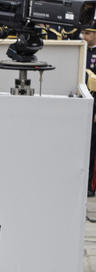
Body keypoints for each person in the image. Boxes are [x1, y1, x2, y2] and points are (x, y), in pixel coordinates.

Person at [84, 26, 96, 196]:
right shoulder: (81, 50)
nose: (83, 36)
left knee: (92, 147)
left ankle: (89, 185)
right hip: (84, 102)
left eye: (87, 33)